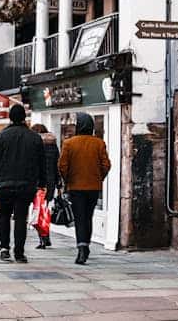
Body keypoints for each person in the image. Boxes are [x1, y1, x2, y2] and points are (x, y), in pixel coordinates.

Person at [0, 104, 45, 263]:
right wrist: (42, 182)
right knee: (21, 218)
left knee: (4, 216)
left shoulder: (0, 137)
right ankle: (19, 252)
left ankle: (4, 249)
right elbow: (42, 163)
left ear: (10, 117)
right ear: (24, 117)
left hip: (4, 184)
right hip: (26, 185)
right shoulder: (35, 138)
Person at [58, 113, 111, 265]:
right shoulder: (99, 143)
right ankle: (86, 244)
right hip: (93, 187)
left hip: (75, 186)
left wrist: (67, 180)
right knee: (88, 216)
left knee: (80, 217)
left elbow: (62, 166)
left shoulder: (69, 143)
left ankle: (82, 248)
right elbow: (106, 164)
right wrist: (98, 177)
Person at [30, 123, 61, 249]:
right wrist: (58, 182)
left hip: (38, 183)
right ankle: (45, 236)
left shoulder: (35, 145)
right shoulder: (53, 145)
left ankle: (44, 237)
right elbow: (57, 165)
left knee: (39, 210)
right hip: (51, 182)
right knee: (45, 209)